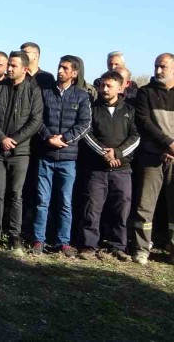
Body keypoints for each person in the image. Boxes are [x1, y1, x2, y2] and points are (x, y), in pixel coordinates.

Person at [0, 51, 43, 253]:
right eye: (9, 65)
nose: (9, 69)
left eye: (13, 66)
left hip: (20, 151)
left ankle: (14, 235)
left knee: (16, 194)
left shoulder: (33, 91)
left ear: (24, 69)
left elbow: (36, 120)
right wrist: (1, 138)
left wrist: (14, 140)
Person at [32, 55, 91, 256]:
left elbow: (84, 124)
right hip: (46, 155)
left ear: (74, 73)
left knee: (65, 202)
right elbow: (37, 119)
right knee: (42, 200)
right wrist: (48, 138)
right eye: (59, 67)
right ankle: (39, 239)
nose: (60, 71)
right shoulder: (45, 93)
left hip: (68, 158)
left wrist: (64, 139)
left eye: (65, 68)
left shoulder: (82, 96)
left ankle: (63, 241)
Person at [77, 70, 138, 261]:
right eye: (102, 85)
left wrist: (117, 153)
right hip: (96, 169)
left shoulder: (129, 110)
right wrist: (105, 153)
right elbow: (86, 133)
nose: (104, 89)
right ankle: (88, 246)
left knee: (121, 210)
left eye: (109, 85)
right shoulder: (92, 109)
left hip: (122, 170)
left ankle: (118, 246)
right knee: (92, 209)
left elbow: (135, 137)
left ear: (120, 88)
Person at [130, 53, 174, 265]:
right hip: (152, 157)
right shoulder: (145, 92)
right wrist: (168, 143)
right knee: (144, 206)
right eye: (156, 66)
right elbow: (144, 122)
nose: (158, 71)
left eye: (163, 67)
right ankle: (141, 249)